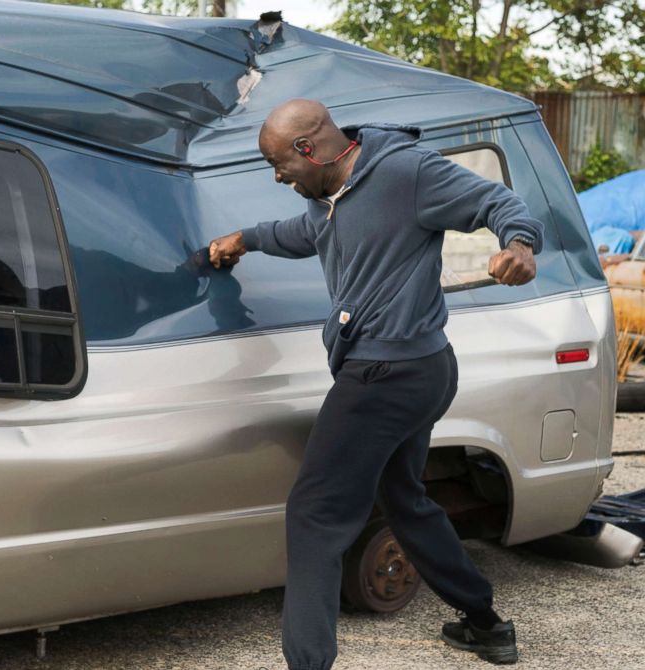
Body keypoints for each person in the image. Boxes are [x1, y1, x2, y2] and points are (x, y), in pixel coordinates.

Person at [208, 99, 541, 670]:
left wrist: (518, 246)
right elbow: (298, 233)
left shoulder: (405, 172)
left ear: (308, 149)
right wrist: (241, 239)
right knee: (404, 499)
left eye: (278, 163)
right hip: (420, 371)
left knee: (313, 515)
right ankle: (485, 625)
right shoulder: (328, 198)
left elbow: (498, 202)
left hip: (385, 376)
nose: (277, 176)